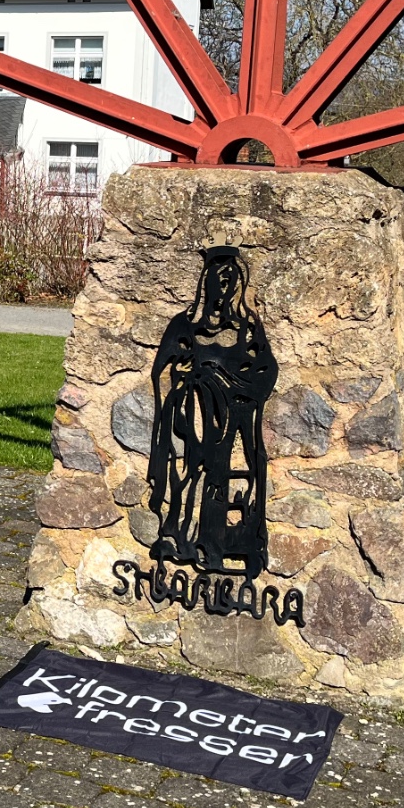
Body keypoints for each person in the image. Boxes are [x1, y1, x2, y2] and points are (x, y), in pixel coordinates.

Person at [146, 246, 278, 576]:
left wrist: (235, 384)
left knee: (228, 481)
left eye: (231, 280)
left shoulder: (248, 329)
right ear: (206, 283)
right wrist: (187, 376)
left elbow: (267, 371)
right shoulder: (185, 325)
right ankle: (184, 540)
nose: (225, 286)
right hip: (192, 421)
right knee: (189, 477)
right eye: (220, 279)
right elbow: (162, 370)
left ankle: (226, 546)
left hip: (235, 422)